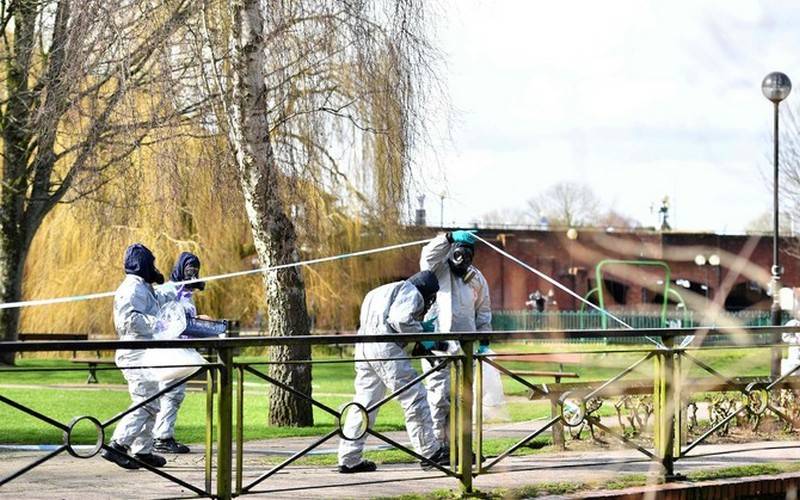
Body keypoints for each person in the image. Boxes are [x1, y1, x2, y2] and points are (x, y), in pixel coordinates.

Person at [337, 270, 448, 473]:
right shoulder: (411, 291)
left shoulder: (380, 291)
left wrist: (418, 342)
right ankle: (430, 453)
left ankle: (349, 458)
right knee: (414, 397)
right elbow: (401, 320)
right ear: (427, 293)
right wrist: (425, 337)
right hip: (384, 349)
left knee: (364, 403)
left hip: (363, 348)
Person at [102, 243, 175, 469]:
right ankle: (117, 445)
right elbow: (129, 321)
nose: (153, 267)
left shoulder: (142, 287)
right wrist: (160, 324)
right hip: (135, 354)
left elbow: (155, 305)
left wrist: (177, 289)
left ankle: (142, 451)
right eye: (150, 263)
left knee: (152, 401)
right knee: (145, 402)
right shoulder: (131, 288)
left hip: (146, 353)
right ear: (142, 263)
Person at [419, 230, 492, 448]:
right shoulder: (437, 269)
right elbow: (428, 254)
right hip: (437, 346)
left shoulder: (476, 278)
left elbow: (484, 310)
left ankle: (463, 448)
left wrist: (484, 339)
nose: (463, 260)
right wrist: (448, 237)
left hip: (465, 348)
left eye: (468, 256)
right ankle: (439, 447)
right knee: (439, 397)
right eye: (459, 254)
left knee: (465, 398)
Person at [153, 252, 207, 454]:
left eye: (195, 269)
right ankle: (162, 437)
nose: (192, 272)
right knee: (171, 394)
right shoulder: (169, 290)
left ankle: (159, 435)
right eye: (189, 268)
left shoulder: (187, 294)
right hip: (170, 351)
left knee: (172, 394)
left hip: (183, 350)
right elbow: (165, 320)